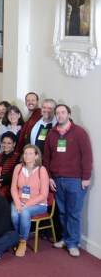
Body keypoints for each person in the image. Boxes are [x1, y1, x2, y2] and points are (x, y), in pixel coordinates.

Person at [43, 104, 93, 258]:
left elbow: (87, 156)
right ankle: (65, 238)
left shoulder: (79, 133)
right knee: (63, 212)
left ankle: (73, 243)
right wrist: (49, 177)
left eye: (63, 112)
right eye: (57, 113)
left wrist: (86, 177)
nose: (60, 115)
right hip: (57, 180)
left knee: (74, 213)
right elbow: (46, 158)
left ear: (69, 115)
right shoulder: (51, 134)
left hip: (75, 180)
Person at [10, 144, 50, 257]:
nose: (27, 156)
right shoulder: (18, 168)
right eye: (25, 153)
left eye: (30, 154)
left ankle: (23, 241)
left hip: (38, 204)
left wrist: (26, 205)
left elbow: (44, 195)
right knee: (14, 215)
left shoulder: (41, 170)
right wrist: (18, 204)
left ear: (36, 156)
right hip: (19, 201)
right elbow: (13, 189)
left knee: (24, 212)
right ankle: (17, 238)